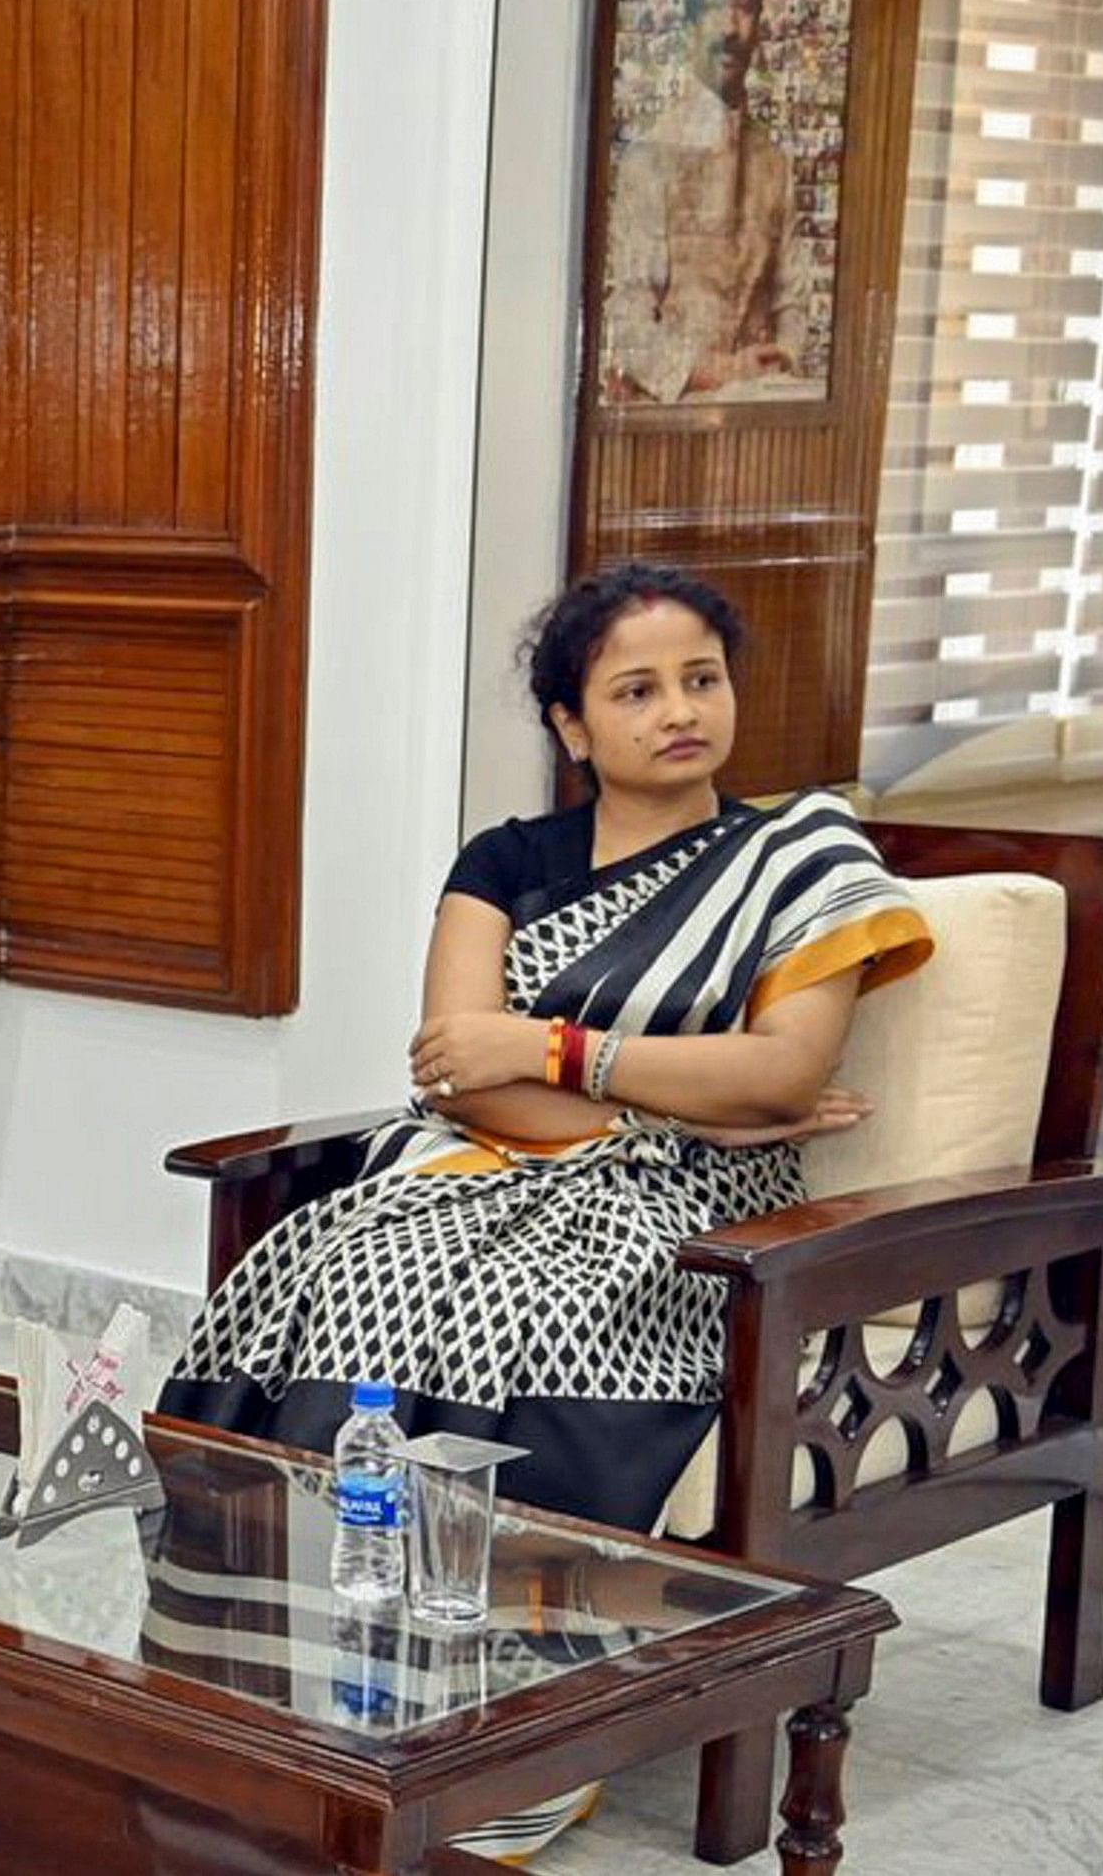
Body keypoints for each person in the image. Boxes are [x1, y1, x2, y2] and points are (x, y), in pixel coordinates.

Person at [156, 564, 929, 1860]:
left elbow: (784, 1070)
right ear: (573, 724)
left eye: (702, 677)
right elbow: (454, 1069)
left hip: (691, 1210)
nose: (679, 708)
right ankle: (276, 1674)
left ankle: (515, 1717)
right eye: (636, 688)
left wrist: (560, 1051)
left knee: (537, 1300)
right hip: (473, 1161)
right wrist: (676, 1088)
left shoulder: (802, 856)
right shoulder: (506, 861)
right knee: (339, 1261)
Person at [600, 0, 808, 402]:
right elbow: (628, 320)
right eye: (715, 6)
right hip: (670, 433)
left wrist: (781, 358)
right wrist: (715, 372)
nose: (730, 28)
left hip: (755, 436)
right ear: (691, 21)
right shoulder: (650, 159)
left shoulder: (775, 166)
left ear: (759, 20)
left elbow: (793, 303)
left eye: (744, 7)